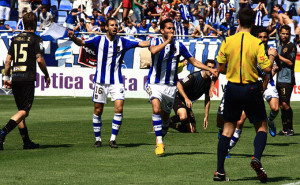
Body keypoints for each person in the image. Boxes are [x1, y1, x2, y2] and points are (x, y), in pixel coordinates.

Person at [213, 8, 277, 183]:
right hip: (250, 89)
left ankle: (219, 171)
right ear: (253, 24)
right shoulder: (256, 43)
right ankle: (256, 158)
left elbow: (219, 68)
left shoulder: (228, 41)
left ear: (238, 21)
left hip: (232, 88)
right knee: (262, 127)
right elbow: (266, 69)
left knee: (227, 130)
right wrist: (271, 57)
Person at [67, 18, 150, 148]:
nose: (115, 27)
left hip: (116, 82)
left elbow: (141, 44)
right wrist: (73, 37)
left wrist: (159, 41)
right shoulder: (98, 40)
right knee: (98, 110)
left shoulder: (123, 41)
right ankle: (98, 139)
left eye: (116, 25)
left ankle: (112, 139)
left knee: (119, 108)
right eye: (112, 25)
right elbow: (81, 43)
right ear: (106, 28)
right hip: (100, 81)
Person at [146, 18, 218, 156]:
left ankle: (163, 131)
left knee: (165, 119)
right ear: (162, 31)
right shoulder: (155, 41)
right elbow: (154, 51)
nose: (172, 31)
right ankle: (159, 143)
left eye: (173, 28)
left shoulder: (179, 45)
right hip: (154, 83)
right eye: (168, 28)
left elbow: (194, 61)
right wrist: (167, 41)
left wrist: (210, 70)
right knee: (156, 108)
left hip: (170, 87)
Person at [223, 28, 280, 158]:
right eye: (260, 37)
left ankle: (270, 121)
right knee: (240, 120)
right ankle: (228, 149)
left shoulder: (271, 51)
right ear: (256, 37)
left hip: (268, 84)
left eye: (265, 37)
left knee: (275, 108)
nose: (263, 39)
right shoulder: (253, 47)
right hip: (253, 86)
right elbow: (265, 67)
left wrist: (276, 68)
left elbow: (273, 68)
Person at [0, 12, 51, 150]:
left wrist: (6, 77)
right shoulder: (35, 39)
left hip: (16, 77)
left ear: (23, 23)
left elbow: (8, 60)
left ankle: (26, 142)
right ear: (35, 24)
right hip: (27, 78)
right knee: (24, 111)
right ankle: (3, 132)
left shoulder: (15, 38)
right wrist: (46, 74)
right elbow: (39, 59)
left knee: (20, 110)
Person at [169, 59, 216, 133]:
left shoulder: (209, 82)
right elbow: (179, 85)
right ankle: (164, 121)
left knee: (192, 130)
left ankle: (169, 124)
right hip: (178, 98)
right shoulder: (194, 76)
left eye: (213, 68)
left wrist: (206, 117)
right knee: (183, 116)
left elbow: (207, 100)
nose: (211, 70)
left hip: (187, 103)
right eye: (209, 67)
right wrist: (186, 98)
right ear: (204, 67)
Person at [276, 25, 297, 136]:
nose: (285, 36)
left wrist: (278, 56)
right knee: (281, 105)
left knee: (285, 103)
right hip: (279, 78)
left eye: (287, 34)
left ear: (289, 35)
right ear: (280, 33)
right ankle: (285, 129)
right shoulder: (280, 46)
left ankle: (290, 129)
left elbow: (290, 62)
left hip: (287, 79)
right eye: (283, 33)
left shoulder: (291, 46)